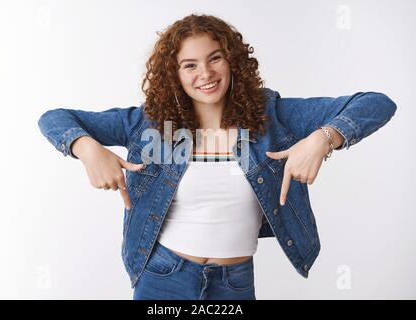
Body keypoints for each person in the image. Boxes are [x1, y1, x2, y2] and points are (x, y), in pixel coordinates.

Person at [37, 14, 397, 300]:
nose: (205, 74)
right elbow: (54, 118)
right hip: (163, 278)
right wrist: (86, 148)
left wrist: (323, 139)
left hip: (235, 282)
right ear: (174, 74)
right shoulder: (148, 124)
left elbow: (377, 103)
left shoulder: (271, 116)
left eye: (215, 59)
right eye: (189, 65)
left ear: (233, 61)